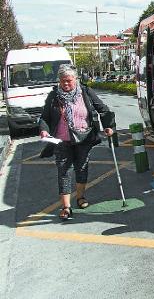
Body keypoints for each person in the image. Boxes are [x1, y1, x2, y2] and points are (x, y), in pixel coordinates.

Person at [39, 65, 114, 221]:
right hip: (61, 141)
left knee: (82, 168)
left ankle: (80, 197)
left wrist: (108, 126)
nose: (65, 84)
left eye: (68, 81)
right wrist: (44, 130)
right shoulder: (54, 96)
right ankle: (66, 207)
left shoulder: (85, 92)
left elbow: (103, 109)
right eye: (62, 81)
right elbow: (45, 117)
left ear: (75, 79)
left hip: (84, 138)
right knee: (64, 172)